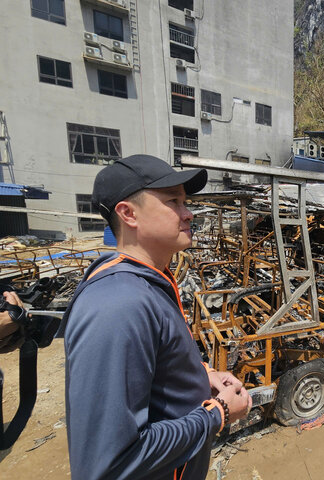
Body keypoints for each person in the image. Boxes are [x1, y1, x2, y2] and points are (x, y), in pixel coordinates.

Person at [60, 154, 251, 479]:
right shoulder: (119, 306)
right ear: (128, 213)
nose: (188, 213)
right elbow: (108, 465)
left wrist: (201, 374)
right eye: (173, 202)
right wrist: (215, 414)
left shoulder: (149, 281)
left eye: (185, 201)